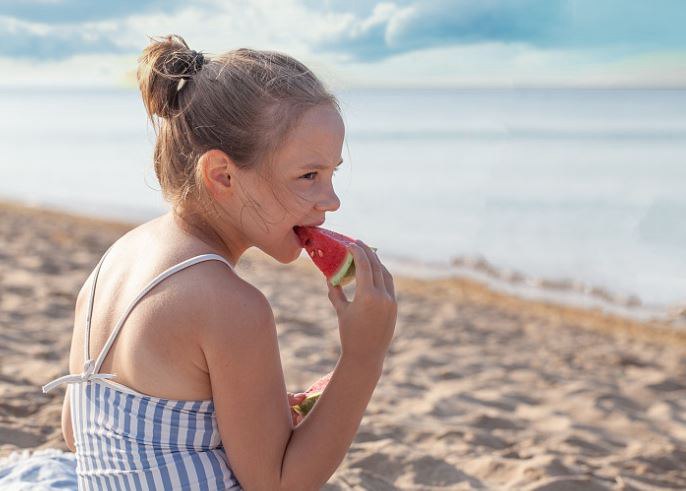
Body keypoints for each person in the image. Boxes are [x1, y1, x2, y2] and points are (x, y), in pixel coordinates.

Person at [41, 34, 398, 490]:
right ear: (222, 176)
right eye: (309, 176)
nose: (331, 201)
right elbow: (279, 484)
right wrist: (364, 356)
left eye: (331, 173)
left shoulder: (114, 261)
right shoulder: (230, 306)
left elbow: (78, 435)